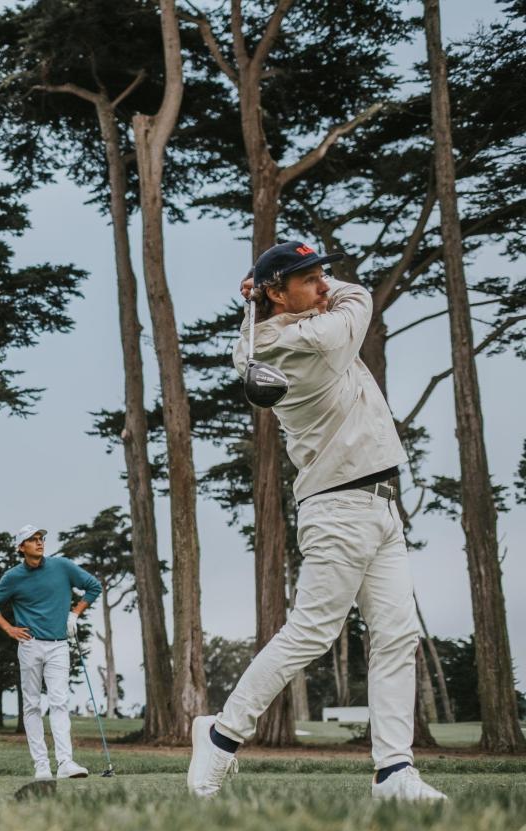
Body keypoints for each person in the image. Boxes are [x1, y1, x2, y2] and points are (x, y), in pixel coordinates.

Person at [187, 240, 446, 802]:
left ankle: (394, 772)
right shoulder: (316, 337)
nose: (325, 285)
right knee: (312, 632)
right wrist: (285, 301)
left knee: (398, 636)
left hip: (381, 503)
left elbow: (267, 328)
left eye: (321, 274)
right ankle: (221, 735)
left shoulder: (268, 331)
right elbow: (360, 299)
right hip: (339, 506)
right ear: (278, 294)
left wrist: (261, 300)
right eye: (308, 279)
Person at [0, 524, 102, 780]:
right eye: (32, 539)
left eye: (41, 538)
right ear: (21, 547)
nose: (39, 542)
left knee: (59, 703)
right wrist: (9, 629)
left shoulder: (62, 567)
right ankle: (41, 765)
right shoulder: (13, 577)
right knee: (32, 705)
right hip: (29, 645)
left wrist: (74, 614)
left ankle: (65, 763)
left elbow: (93, 586)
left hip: (59, 645)